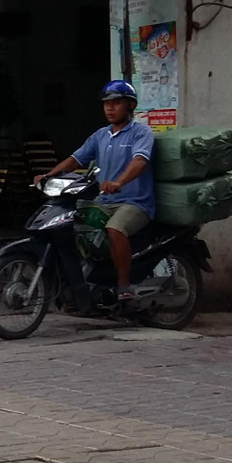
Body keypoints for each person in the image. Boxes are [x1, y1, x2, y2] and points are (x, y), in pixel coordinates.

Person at [37, 80, 156, 300]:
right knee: (69, 225)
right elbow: (75, 159)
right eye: (106, 104)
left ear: (130, 105)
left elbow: (140, 161)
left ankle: (124, 285)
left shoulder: (141, 132)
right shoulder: (101, 135)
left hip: (135, 202)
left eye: (116, 103)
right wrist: (48, 176)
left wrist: (118, 182)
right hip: (103, 202)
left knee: (115, 229)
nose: (110, 108)